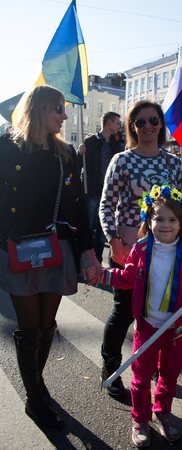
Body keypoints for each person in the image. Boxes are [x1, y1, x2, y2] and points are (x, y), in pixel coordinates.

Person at [88, 185, 182, 447]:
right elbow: (127, 278)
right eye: (159, 218)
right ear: (148, 220)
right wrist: (102, 274)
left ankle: (163, 412)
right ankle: (140, 418)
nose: (165, 225)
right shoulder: (140, 250)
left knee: (170, 376)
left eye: (172, 219)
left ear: (181, 221)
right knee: (141, 378)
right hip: (148, 327)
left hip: (178, 330)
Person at [0, 85, 99, 429]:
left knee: (46, 325)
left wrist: (88, 251)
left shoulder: (66, 152)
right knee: (28, 327)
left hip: (57, 249)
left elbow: (78, 206)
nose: (65, 115)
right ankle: (33, 397)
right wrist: (5, 235)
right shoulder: (6, 146)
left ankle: (37, 382)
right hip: (19, 250)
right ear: (40, 108)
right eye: (58, 108)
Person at [99, 100, 182, 399]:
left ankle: (155, 369)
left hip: (167, 252)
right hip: (130, 248)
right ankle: (112, 368)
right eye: (141, 122)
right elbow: (107, 205)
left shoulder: (174, 162)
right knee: (125, 312)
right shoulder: (122, 160)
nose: (148, 127)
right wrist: (114, 241)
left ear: (161, 124)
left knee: (161, 309)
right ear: (132, 126)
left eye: (154, 121)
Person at [77, 111, 122, 263]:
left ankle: (96, 261)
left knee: (104, 228)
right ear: (109, 122)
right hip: (93, 191)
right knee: (88, 225)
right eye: (117, 123)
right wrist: (79, 153)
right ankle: (84, 259)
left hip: (109, 192)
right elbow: (79, 165)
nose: (119, 127)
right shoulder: (90, 142)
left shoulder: (115, 145)